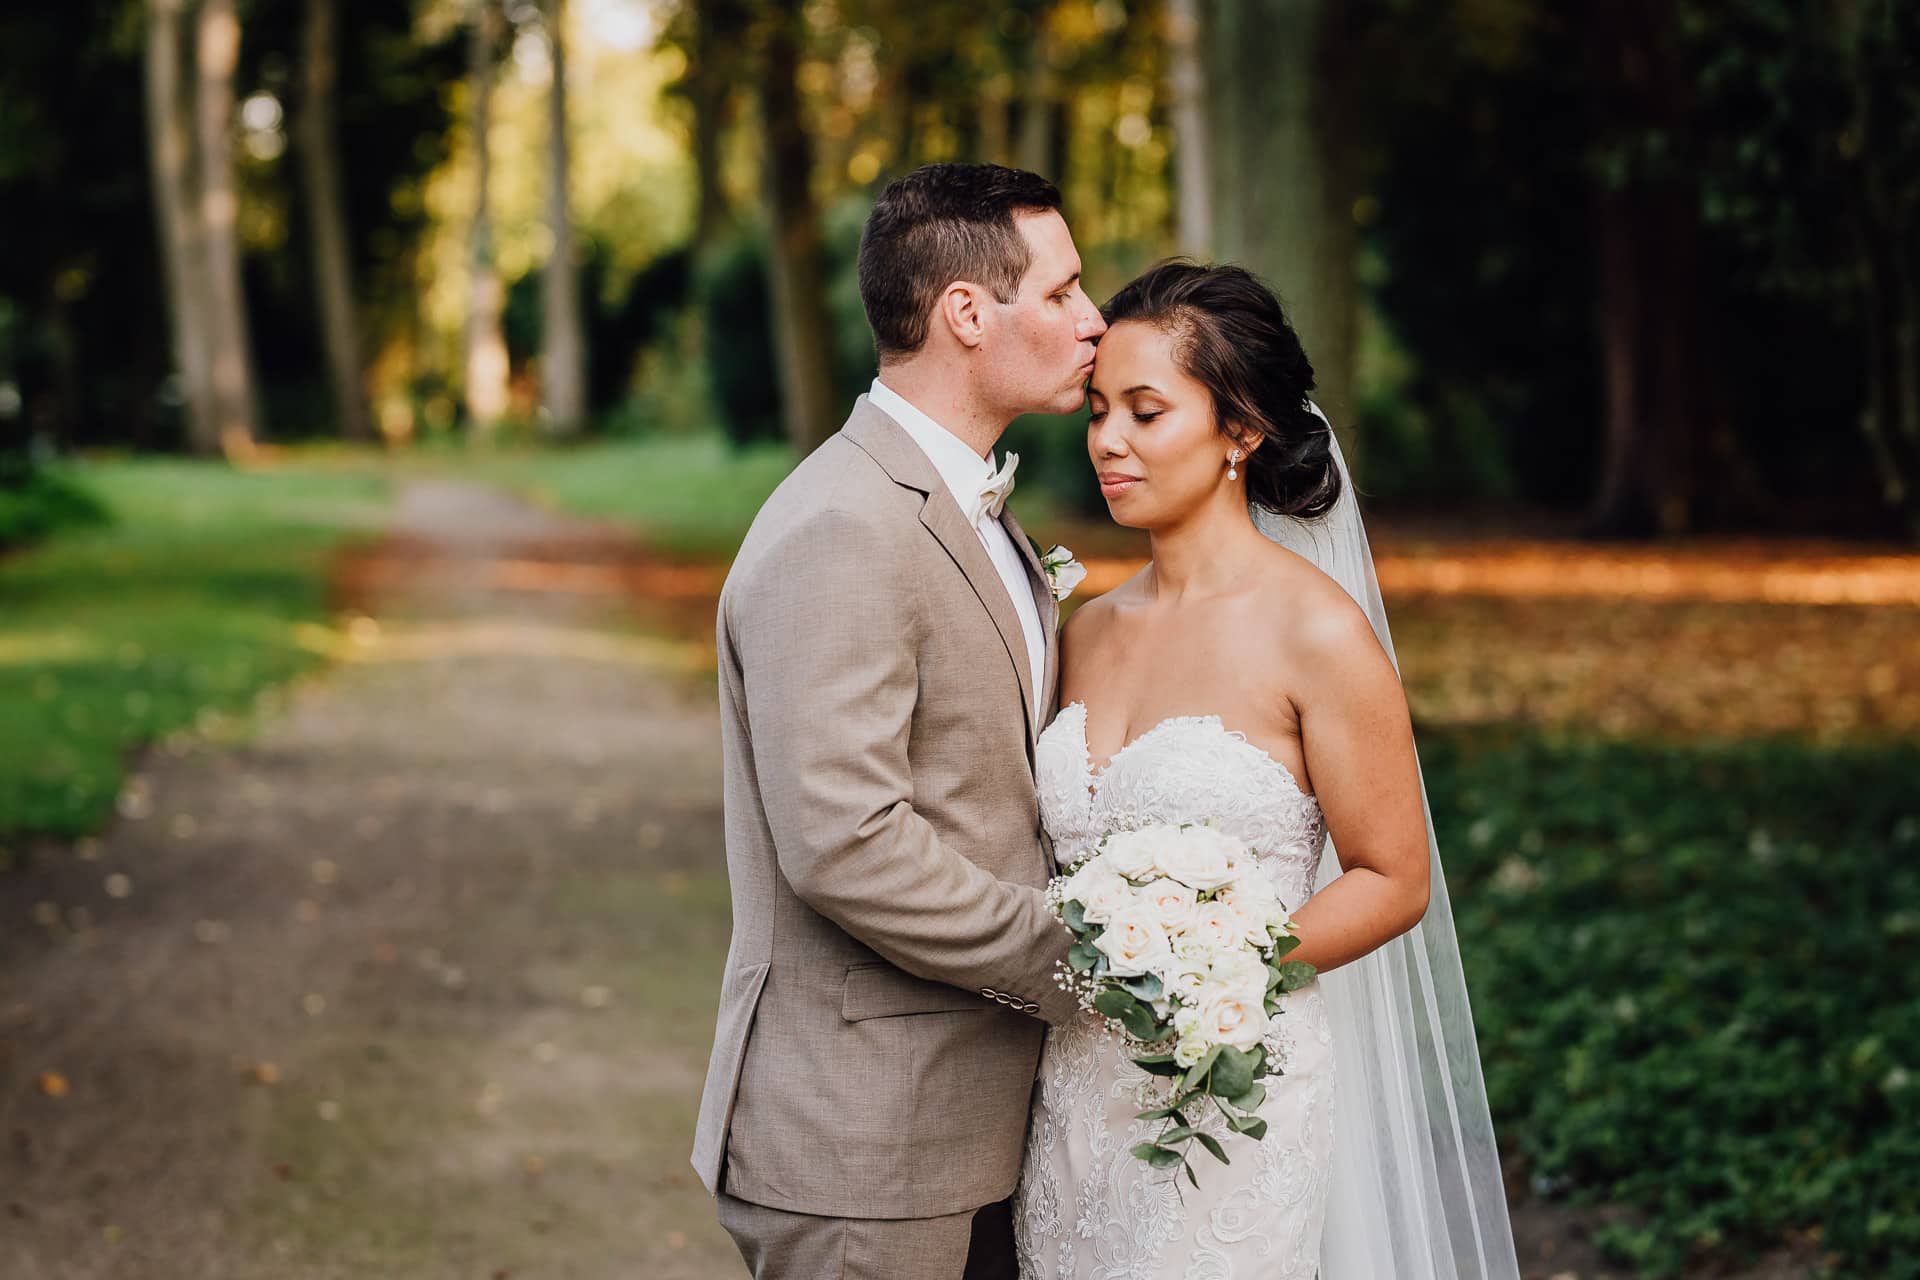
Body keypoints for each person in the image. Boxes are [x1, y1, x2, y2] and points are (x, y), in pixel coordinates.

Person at [1012, 261, 1521, 1279]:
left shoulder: (1320, 637)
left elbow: (1393, 877)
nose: (1107, 439)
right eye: (1100, 408)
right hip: (1077, 1091)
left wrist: (1217, 964)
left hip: (1230, 1098)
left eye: (1146, 411)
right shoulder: (1087, 630)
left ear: (1241, 430)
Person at [690, 162, 1107, 1279]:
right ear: (968, 312)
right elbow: (846, 842)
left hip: (975, 1120)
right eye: (1062, 293)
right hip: (864, 1145)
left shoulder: (972, 512)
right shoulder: (843, 526)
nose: (1093, 319)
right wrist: (1091, 962)